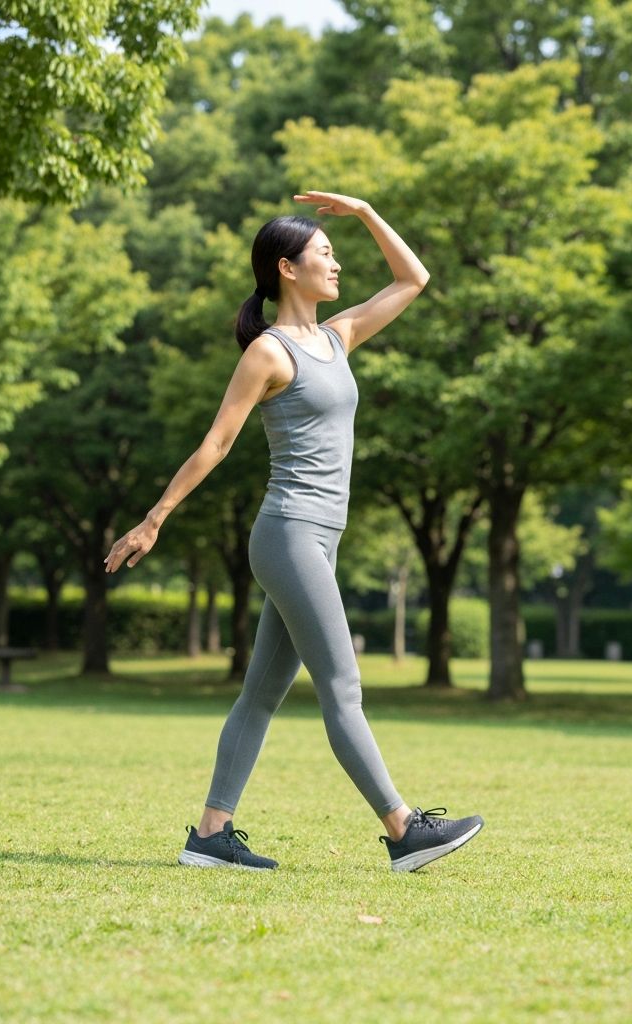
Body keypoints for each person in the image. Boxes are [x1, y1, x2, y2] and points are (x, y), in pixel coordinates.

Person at [105, 190, 483, 872]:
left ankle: (210, 836)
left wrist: (364, 212)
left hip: (315, 541)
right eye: (325, 255)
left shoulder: (337, 338)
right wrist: (154, 518)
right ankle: (403, 831)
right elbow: (216, 443)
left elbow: (413, 280)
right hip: (288, 536)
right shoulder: (269, 354)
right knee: (342, 686)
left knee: (261, 693)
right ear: (287, 268)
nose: (336, 266)